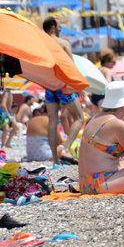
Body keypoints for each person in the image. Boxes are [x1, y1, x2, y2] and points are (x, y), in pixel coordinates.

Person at [42, 17, 84, 165]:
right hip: (63, 85)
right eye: (59, 26)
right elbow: (71, 67)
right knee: (79, 118)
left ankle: (55, 161)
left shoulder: (41, 43)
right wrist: (79, 86)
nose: (61, 29)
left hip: (49, 85)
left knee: (52, 121)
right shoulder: (63, 43)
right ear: (53, 27)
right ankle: (64, 148)